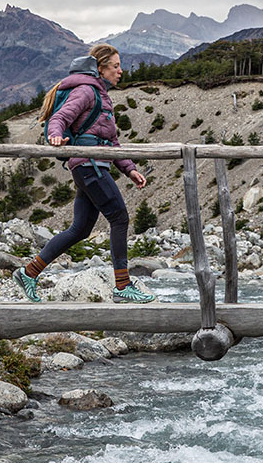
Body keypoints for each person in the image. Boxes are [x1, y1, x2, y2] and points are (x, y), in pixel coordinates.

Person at [12, 44, 156, 303]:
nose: (120, 71)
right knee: (119, 218)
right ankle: (122, 287)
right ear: (100, 68)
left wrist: (130, 169)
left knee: (80, 229)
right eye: (115, 66)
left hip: (94, 164)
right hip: (89, 165)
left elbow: (112, 142)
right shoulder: (87, 91)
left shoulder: (101, 95)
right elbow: (59, 118)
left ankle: (29, 272)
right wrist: (55, 135)